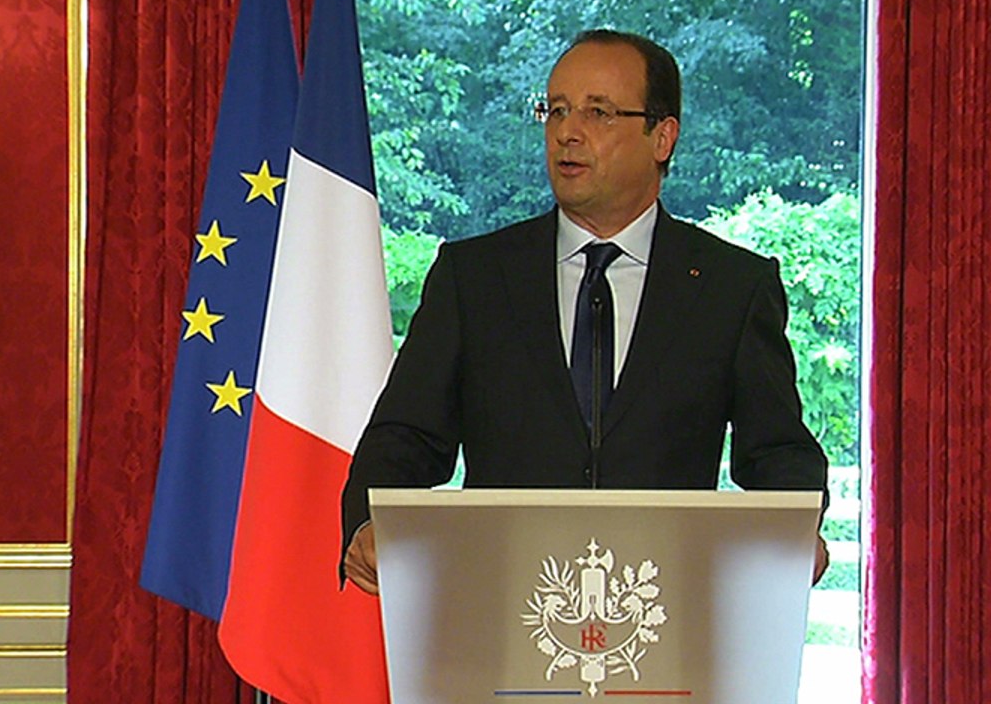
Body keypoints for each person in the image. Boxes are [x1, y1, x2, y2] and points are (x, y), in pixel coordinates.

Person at [341, 29, 829, 594]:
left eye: (598, 113)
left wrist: (794, 526)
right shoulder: (472, 277)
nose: (567, 132)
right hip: (500, 614)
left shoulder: (731, 288)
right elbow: (405, 437)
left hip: (664, 616)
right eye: (556, 110)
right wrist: (367, 522)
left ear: (662, 137)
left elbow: (777, 451)